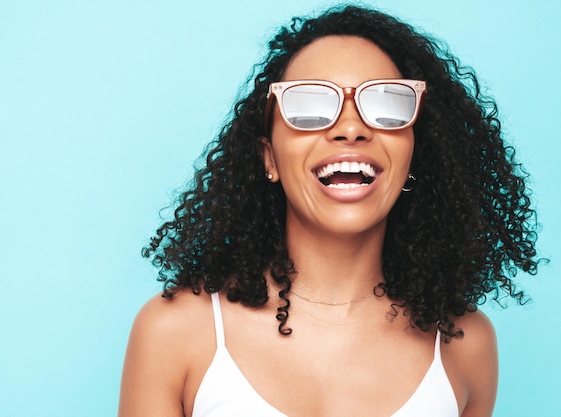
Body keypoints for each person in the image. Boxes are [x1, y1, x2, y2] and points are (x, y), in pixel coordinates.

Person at [118, 4, 541, 417]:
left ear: (414, 157)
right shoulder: (173, 333)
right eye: (309, 107)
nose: (351, 129)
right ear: (269, 159)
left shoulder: (464, 345)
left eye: (387, 105)